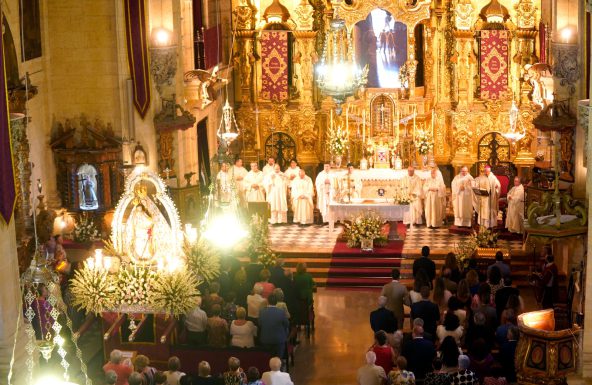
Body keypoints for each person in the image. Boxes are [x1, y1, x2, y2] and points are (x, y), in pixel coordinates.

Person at [258, 293, 290, 359]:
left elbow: (260, 324)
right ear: (276, 302)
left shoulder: (262, 312)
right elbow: (287, 324)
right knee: (278, 359)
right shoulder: (281, 312)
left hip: (266, 339)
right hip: (279, 340)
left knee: (267, 359)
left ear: (268, 301)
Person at [294, 262, 315, 327]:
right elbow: (313, 286)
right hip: (307, 300)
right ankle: (309, 318)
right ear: (305, 269)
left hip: (297, 299)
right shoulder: (308, 276)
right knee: (309, 306)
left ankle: (298, 321)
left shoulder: (295, 277)